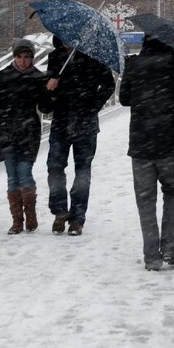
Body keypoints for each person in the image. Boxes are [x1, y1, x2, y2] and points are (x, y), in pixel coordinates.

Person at [119, 35, 174, 271]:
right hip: (170, 143)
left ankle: (152, 256)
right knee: (173, 194)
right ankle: (169, 247)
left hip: (141, 143)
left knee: (145, 200)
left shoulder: (133, 65)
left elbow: (124, 99)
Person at [45, 36, 115, 237]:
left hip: (86, 124)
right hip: (61, 121)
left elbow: (108, 85)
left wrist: (92, 107)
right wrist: (51, 88)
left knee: (82, 171)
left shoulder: (94, 57)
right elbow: (49, 89)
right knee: (55, 166)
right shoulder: (55, 57)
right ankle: (59, 211)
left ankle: (77, 218)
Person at [0, 38, 53, 234]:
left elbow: (45, 107)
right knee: (12, 177)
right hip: (8, 133)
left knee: (25, 172)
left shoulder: (38, 77)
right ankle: (17, 221)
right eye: (19, 57)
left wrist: (49, 91)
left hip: (29, 132)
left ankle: (31, 217)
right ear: (14, 57)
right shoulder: (4, 76)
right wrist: (2, 128)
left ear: (32, 58)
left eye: (27, 57)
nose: (23, 61)